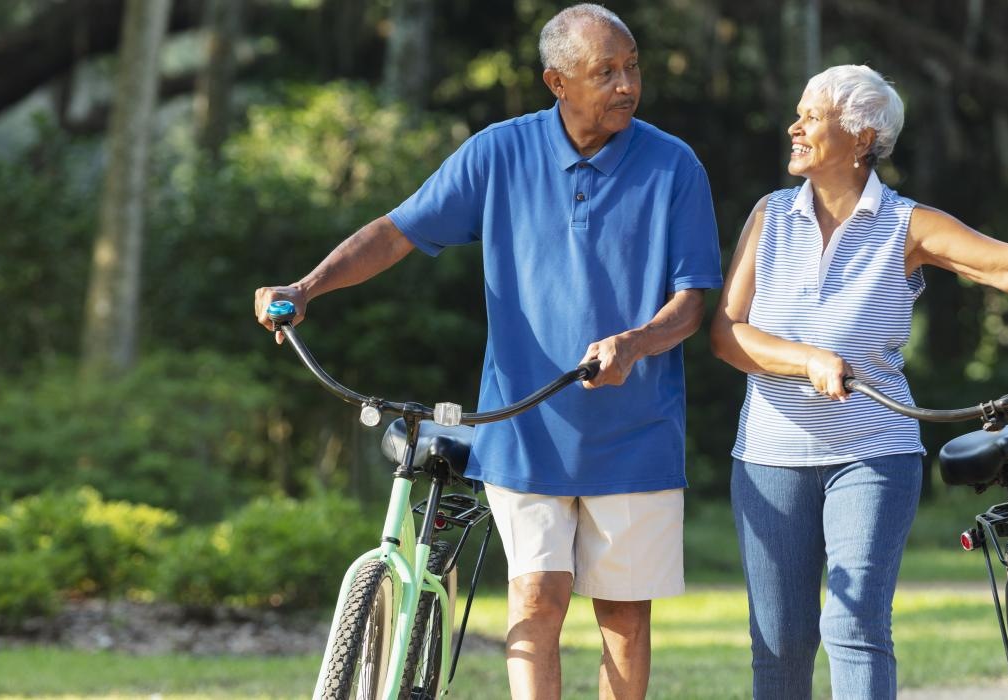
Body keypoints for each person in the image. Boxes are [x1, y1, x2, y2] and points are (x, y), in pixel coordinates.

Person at [254, 5, 721, 698]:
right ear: (556, 82)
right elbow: (397, 230)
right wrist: (308, 285)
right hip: (522, 429)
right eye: (606, 72)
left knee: (623, 617)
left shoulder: (673, 165)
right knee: (536, 601)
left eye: (633, 67)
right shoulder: (498, 152)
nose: (626, 84)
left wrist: (634, 343)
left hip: (636, 431)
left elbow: (691, 303)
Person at [709, 64, 1008, 699]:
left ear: (861, 137)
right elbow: (727, 333)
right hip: (769, 456)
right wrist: (807, 359)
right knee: (781, 640)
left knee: (853, 625)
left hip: (873, 452)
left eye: (810, 116)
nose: (793, 127)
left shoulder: (905, 224)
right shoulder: (770, 216)